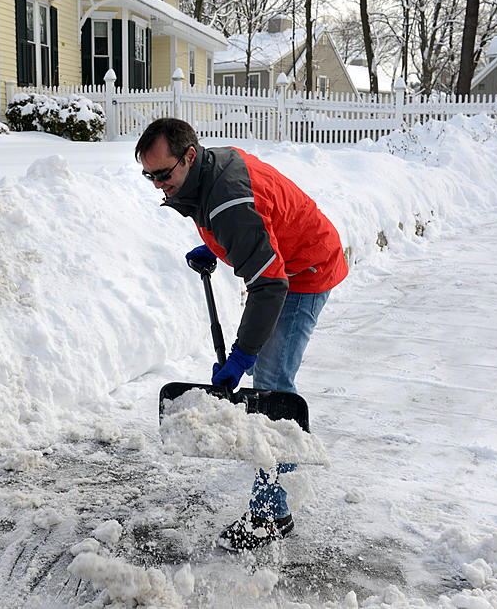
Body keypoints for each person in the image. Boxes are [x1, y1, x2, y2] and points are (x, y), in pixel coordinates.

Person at [135, 117, 348, 551]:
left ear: (190, 155)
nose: (158, 185)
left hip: (304, 270)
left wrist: (242, 355)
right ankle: (272, 500)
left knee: (272, 388)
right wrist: (219, 244)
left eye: (163, 174)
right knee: (266, 377)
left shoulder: (227, 202)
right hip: (285, 256)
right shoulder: (206, 173)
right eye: (149, 175)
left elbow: (270, 284)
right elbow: (247, 217)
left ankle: (273, 514)